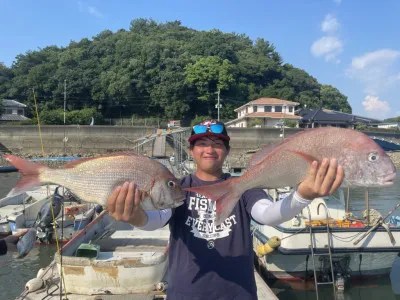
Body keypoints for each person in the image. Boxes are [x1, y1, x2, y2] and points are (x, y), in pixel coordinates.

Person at [107, 120, 344, 300]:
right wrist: (134, 216)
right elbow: (156, 220)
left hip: (237, 293)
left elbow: (268, 214)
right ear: (192, 152)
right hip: (186, 293)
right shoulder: (179, 188)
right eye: (201, 144)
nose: (209, 149)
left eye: (217, 144)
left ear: (227, 151)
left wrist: (303, 195)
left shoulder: (243, 187)